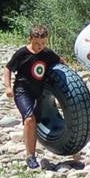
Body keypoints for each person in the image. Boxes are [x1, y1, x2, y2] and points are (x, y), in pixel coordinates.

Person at [5, 25, 63, 170]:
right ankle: (30, 156)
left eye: (43, 43)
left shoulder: (47, 53)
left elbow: (60, 63)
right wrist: (7, 86)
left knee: (36, 122)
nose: (40, 46)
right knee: (29, 119)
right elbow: (8, 68)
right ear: (30, 39)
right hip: (22, 90)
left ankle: (34, 145)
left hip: (40, 92)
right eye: (37, 43)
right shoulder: (22, 53)